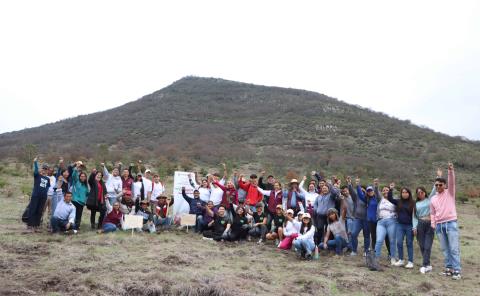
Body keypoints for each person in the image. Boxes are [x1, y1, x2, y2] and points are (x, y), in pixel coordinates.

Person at [430, 163, 461, 280]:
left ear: (445, 185)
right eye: (436, 185)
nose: (438, 186)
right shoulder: (433, 198)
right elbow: (432, 213)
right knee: (444, 249)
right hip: (439, 226)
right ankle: (449, 269)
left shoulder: (450, 193)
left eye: (440, 185)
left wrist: (450, 171)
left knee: (453, 248)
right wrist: (434, 224)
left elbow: (452, 181)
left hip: (450, 224)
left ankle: (457, 270)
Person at [388, 183, 415, 269]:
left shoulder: (413, 202)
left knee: (409, 243)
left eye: (406, 192)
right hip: (400, 225)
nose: (404, 194)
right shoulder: (399, 201)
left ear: (409, 193)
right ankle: (401, 260)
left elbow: (415, 216)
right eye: (403, 192)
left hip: (409, 226)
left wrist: (415, 227)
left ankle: (410, 262)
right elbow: (390, 199)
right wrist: (391, 189)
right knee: (399, 242)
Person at [413, 179, 437, 274]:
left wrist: (438, 177)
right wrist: (414, 227)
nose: (420, 194)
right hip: (420, 224)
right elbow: (414, 217)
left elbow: (434, 189)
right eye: (418, 193)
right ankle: (428, 265)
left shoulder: (430, 199)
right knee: (422, 245)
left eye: (421, 192)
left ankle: (424, 265)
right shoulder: (416, 204)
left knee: (428, 246)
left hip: (430, 224)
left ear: (424, 192)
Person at [373, 182, 398, 268]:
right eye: (383, 190)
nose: (385, 191)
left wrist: (391, 188)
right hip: (381, 222)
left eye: (387, 190)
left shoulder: (394, 200)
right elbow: (376, 192)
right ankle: (376, 258)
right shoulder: (380, 199)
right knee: (379, 240)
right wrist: (376, 186)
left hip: (392, 222)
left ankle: (393, 258)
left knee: (392, 241)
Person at [346, 176, 369, 256]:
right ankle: (354, 250)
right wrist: (349, 183)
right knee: (353, 234)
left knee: (366, 235)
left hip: (366, 220)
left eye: (363, 190)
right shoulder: (356, 197)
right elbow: (352, 191)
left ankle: (366, 251)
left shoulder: (368, 199)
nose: (362, 192)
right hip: (357, 219)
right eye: (360, 190)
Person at [313, 178, 340, 245]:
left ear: (328, 189)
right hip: (320, 216)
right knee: (319, 229)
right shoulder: (319, 196)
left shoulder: (331, 195)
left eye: (326, 188)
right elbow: (315, 204)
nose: (324, 189)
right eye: (323, 188)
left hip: (329, 216)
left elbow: (335, 193)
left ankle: (329, 243)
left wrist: (330, 185)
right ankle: (319, 243)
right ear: (321, 189)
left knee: (329, 230)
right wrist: (316, 210)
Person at [26, 158, 51, 232]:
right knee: (33, 209)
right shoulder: (37, 176)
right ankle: (30, 225)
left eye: (46, 169)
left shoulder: (48, 179)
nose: (45, 170)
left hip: (43, 197)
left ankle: (36, 226)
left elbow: (47, 187)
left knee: (39, 211)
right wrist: (35, 162)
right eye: (44, 168)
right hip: (35, 195)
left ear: (48, 170)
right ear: (42, 169)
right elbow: (36, 171)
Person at [70, 162, 89, 230]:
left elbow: (87, 194)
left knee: (79, 216)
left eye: (84, 176)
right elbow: (74, 175)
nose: (82, 177)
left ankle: (76, 228)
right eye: (81, 176)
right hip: (74, 201)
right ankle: (70, 227)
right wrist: (76, 168)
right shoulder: (76, 181)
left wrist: (85, 200)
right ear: (79, 177)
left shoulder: (86, 186)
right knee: (72, 215)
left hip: (81, 203)